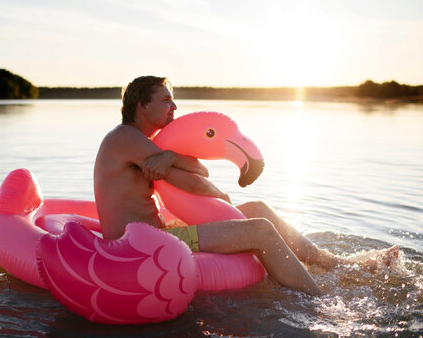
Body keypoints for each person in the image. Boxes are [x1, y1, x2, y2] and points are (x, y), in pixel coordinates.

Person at [93, 75, 398, 296]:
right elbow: (193, 182)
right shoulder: (125, 137)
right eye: (165, 99)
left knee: (258, 208)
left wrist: (171, 155)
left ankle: (333, 263)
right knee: (260, 229)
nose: (174, 106)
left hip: (156, 233)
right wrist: (217, 193)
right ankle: (318, 299)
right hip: (140, 244)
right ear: (141, 105)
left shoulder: (147, 144)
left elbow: (199, 168)